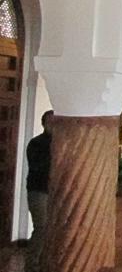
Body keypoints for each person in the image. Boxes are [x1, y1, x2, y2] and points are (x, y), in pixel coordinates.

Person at [26, 110, 53, 272]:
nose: (53, 124)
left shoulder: (60, 141)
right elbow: (37, 166)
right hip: (39, 190)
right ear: (44, 123)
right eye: (50, 121)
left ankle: (46, 260)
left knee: (52, 227)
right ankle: (32, 263)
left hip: (53, 191)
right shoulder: (37, 143)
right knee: (41, 226)